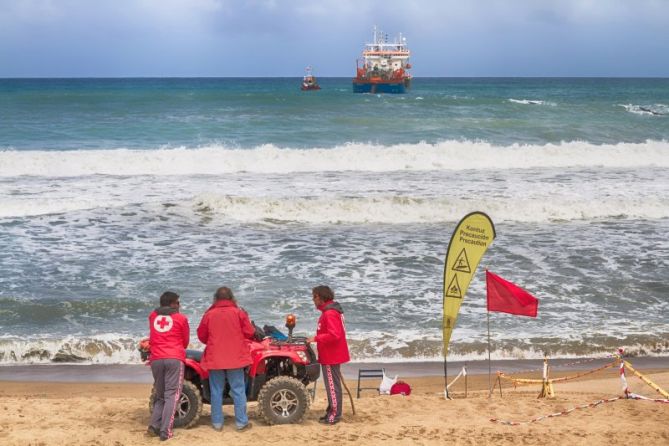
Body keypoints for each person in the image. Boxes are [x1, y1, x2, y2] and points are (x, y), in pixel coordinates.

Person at [197, 287, 255, 432]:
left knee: (216, 390)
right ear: (231, 298)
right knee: (238, 390)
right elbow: (250, 332)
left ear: (216, 298)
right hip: (235, 358)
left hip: (215, 358)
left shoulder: (209, 314)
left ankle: (217, 423)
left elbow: (202, 336)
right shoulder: (239, 313)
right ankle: (241, 423)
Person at [147, 291, 190, 441]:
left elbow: (153, 337)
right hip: (174, 358)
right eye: (178, 303)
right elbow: (185, 342)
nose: (179, 305)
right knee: (172, 395)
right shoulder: (181, 318)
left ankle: (154, 426)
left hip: (156, 358)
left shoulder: (152, 316)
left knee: (160, 395)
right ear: (172, 304)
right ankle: (165, 432)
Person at [307, 285, 350, 425]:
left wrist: (316, 338)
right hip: (330, 355)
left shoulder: (330, 313)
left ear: (320, 297)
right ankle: (331, 410)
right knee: (332, 384)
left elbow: (334, 335)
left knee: (332, 385)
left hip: (332, 356)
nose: (313, 300)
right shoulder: (329, 311)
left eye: (315, 297)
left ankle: (334, 415)